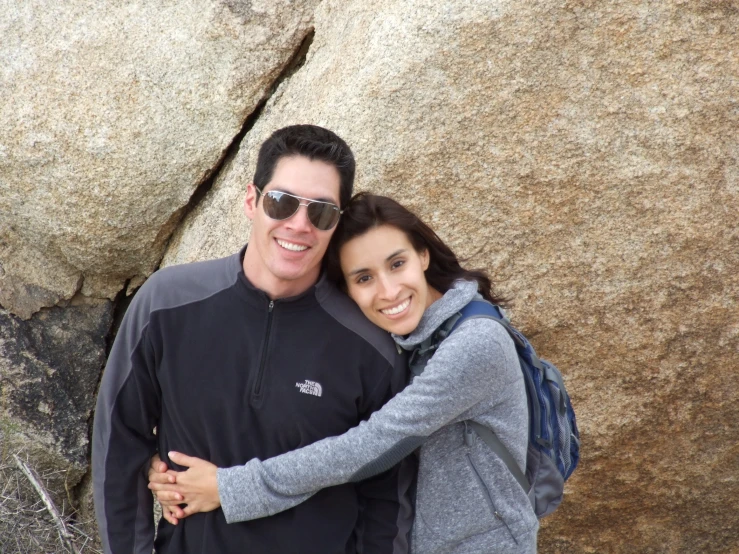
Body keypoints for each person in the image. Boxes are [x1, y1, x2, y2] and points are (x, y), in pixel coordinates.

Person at [148, 193, 540, 553]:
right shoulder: (411, 339)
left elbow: (369, 446)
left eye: (397, 263)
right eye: (364, 278)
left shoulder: (475, 344)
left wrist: (228, 488)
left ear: (423, 255)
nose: (387, 291)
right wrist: (170, 472)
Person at [92, 126, 414, 554]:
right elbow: (118, 440)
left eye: (320, 212)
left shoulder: (369, 347)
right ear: (251, 201)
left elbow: (388, 498)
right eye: (281, 202)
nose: (299, 225)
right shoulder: (166, 303)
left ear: (335, 225)